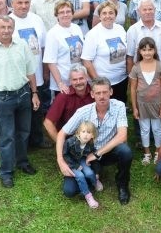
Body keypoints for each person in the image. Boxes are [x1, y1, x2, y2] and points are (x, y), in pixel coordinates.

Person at [0, 16, 40, 188]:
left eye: (9, 27)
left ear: (13, 28)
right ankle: (6, 172)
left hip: (23, 94)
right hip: (3, 98)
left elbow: (30, 71)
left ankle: (22, 162)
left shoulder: (22, 45)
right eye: (2, 27)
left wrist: (34, 93)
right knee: (6, 137)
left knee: (23, 132)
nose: (6, 30)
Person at [55, 77, 132, 205]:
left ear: (111, 92)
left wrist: (97, 154)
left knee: (125, 151)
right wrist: (60, 160)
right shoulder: (83, 111)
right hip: (84, 156)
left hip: (106, 151)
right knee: (69, 191)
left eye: (105, 92)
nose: (102, 96)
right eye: (98, 93)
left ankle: (122, 185)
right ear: (92, 94)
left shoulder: (119, 106)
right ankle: (93, 177)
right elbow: (62, 134)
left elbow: (122, 136)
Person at [129, 37, 161, 165]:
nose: (147, 53)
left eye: (150, 49)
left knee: (157, 129)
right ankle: (147, 153)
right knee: (144, 129)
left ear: (155, 50)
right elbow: (133, 89)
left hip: (157, 105)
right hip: (142, 105)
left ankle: (158, 152)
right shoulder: (136, 68)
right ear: (139, 51)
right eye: (144, 50)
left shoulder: (160, 66)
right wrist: (134, 107)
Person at [81, 1, 128, 103]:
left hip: (121, 79)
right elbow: (86, 61)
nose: (108, 16)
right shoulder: (93, 34)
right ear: (100, 16)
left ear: (115, 15)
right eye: (104, 13)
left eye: (111, 13)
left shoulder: (120, 29)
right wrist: (98, 82)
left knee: (119, 108)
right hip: (103, 83)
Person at [62, 121, 100, 209]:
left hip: (82, 159)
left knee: (89, 173)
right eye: (83, 132)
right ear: (78, 132)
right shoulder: (70, 142)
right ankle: (88, 196)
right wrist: (75, 166)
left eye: (88, 132)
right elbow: (65, 155)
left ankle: (95, 182)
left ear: (92, 135)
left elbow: (93, 152)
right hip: (72, 162)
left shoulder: (90, 143)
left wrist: (92, 157)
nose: (85, 135)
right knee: (80, 176)